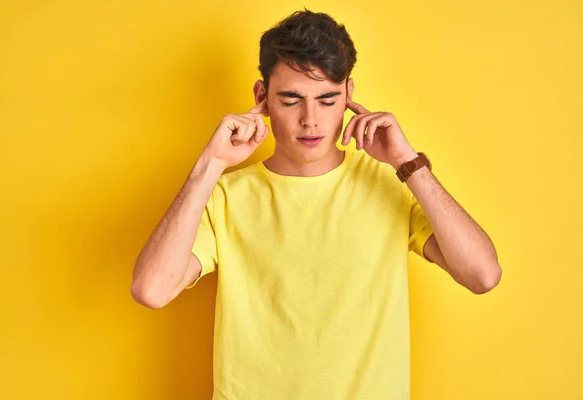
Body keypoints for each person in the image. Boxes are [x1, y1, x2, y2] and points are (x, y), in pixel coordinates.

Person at [131, 9, 502, 400]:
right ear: (262, 98)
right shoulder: (225, 196)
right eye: (291, 100)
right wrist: (211, 164)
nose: (311, 120)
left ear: (349, 96)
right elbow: (152, 290)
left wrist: (408, 163)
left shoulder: (390, 185)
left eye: (327, 100)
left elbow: (482, 275)